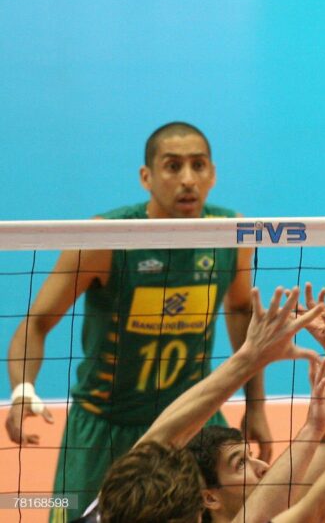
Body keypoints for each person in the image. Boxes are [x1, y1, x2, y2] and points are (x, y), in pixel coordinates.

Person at [5, 122, 270, 522]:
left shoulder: (230, 234)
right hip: (106, 428)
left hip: (194, 420)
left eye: (198, 166)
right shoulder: (106, 239)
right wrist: (23, 388)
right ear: (146, 177)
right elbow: (36, 324)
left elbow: (239, 311)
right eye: (172, 166)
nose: (187, 179)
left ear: (212, 175)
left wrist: (257, 405)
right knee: (69, 515)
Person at [93, 285, 325, 523]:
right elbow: (318, 505)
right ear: (205, 499)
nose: (261, 466)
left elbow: (161, 436)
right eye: (240, 463)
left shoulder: (113, 507)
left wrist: (259, 356)